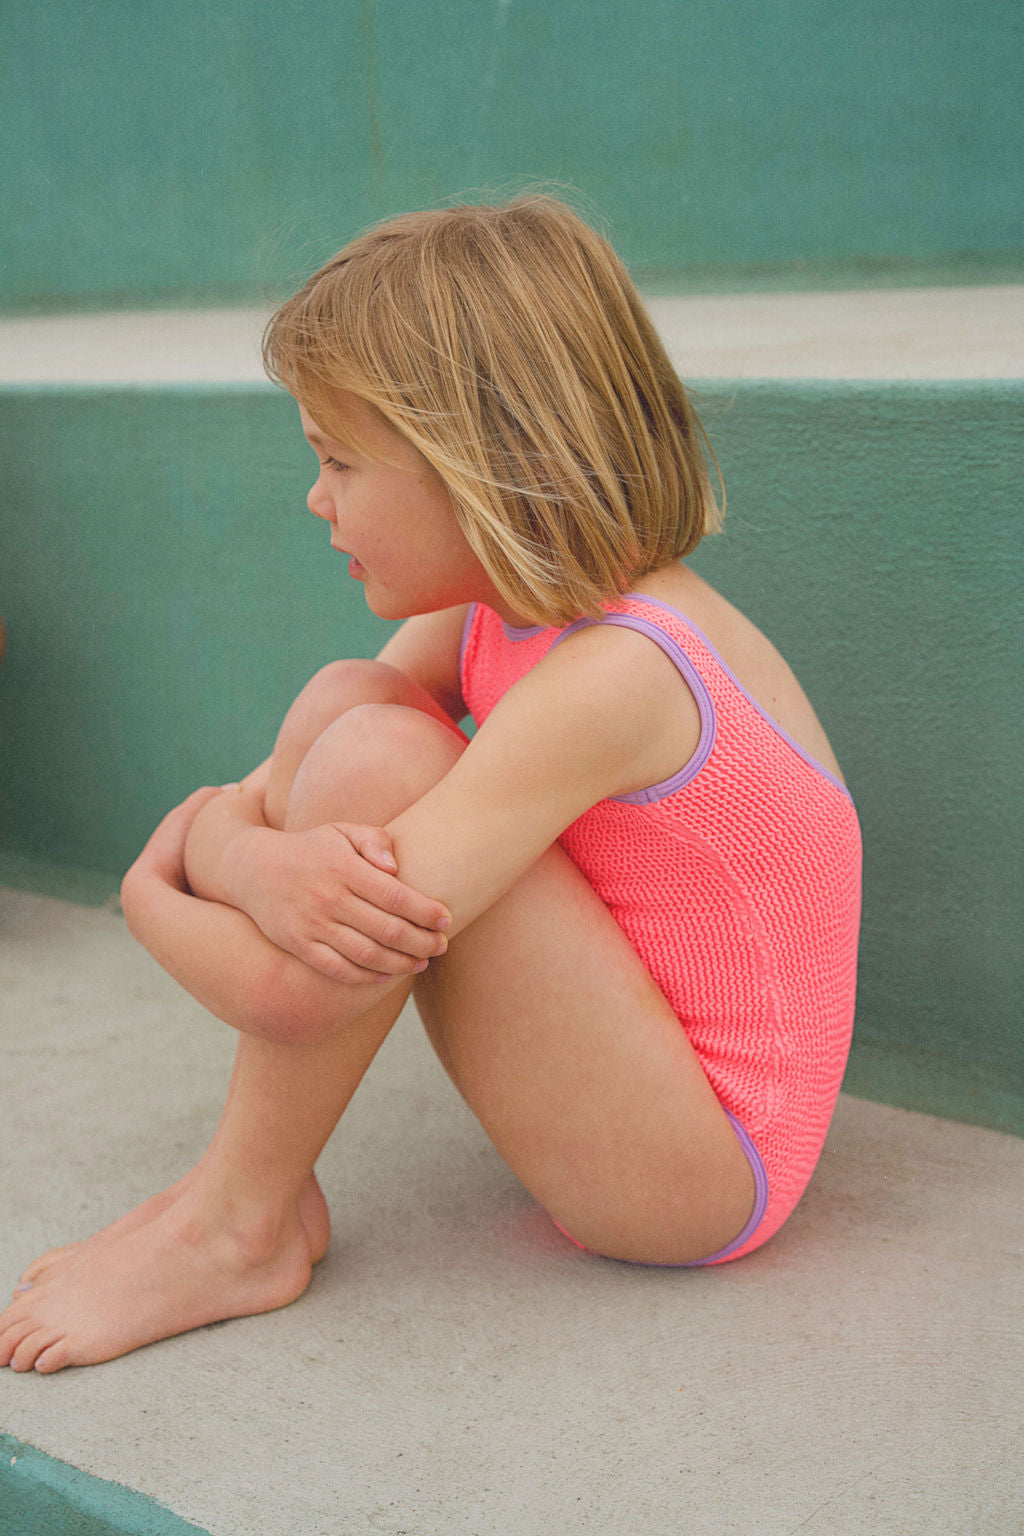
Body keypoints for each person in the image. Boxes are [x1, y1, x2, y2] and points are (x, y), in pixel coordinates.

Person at [0, 195, 861, 1374]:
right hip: (636, 1085)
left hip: (699, 1176)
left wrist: (164, 879)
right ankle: (246, 1194)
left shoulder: (619, 675)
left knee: (372, 756)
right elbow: (265, 806)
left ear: (485, 465)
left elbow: (293, 991)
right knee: (348, 701)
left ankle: (237, 1225)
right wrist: (240, 850)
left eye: (339, 459)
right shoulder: (495, 614)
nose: (316, 499)